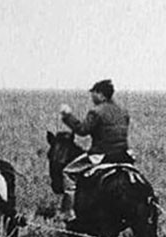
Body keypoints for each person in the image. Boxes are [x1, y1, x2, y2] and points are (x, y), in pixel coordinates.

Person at [56, 79, 133, 222]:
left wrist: (67, 116)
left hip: (102, 155)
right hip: (124, 156)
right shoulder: (123, 111)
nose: (92, 97)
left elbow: (82, 130)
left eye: (94, 93)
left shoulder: (96, 112)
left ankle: (68, 211)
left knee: (68, 173)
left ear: (101, 95)